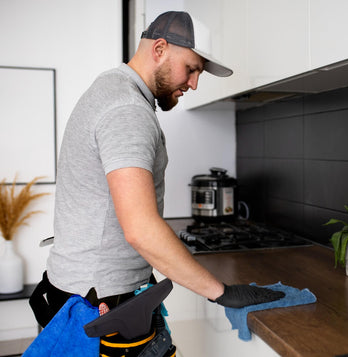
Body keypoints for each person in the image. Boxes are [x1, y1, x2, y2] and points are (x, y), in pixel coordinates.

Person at [30, 10, 284, 353]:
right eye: (191, 68)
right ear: (160, 49)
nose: (194, 83)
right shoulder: (127, 110)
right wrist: (221, 291)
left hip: (78, 293)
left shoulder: (111, 89)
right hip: (97, 310)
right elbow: (141, 228)